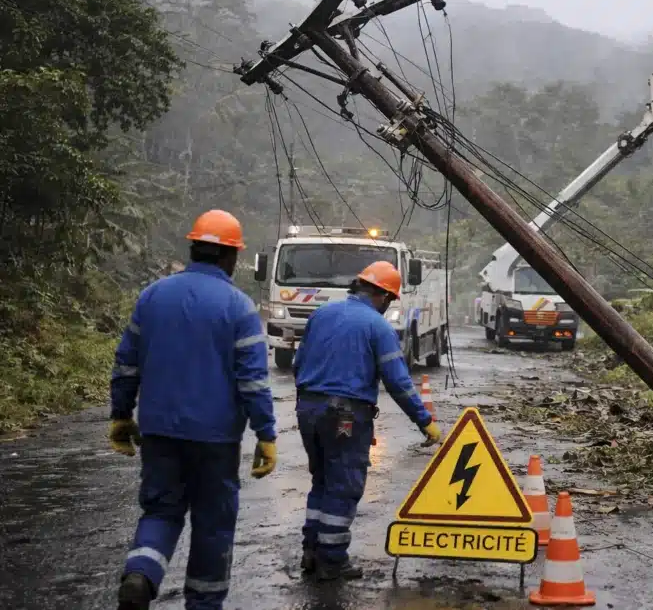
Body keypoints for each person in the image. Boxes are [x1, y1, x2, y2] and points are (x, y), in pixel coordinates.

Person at [110, 209, 278, 610]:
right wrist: (266, 433)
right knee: (212, 525)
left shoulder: (152, 296)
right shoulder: (238, 308)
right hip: (215, 440)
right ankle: (203, 605)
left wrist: (120, 415)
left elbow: (126, 364)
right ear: (231, 257)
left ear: (193, 248)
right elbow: (252, 381)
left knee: (161, 511)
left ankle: (141, 574)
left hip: (159, 432)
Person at [293, 260, 442, 581]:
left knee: (322, 480)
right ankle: (331, 560)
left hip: (308, 409)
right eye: (389, 300)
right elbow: (398, 382)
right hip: (345, 416)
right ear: (383, 296)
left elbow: (298, 363)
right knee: (344, 484)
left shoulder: (321, 314)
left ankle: (311, 551)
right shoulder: (377, 327)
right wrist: (424, 420)